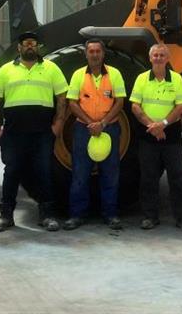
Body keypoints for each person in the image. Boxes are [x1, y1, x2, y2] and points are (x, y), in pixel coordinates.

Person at [0, 30, 68, 233]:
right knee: (12, 172)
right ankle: (5, 216)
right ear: (19, 47)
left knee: (44, 172)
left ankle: (47, 215)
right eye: (26, 43)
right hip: (13, 134)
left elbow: (62, 97)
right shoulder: (6, 70)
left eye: (33, 43)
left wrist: (58, 124)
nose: (30, 46)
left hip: (42, 133)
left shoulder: (51, 68)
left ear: (37, 47)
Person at [129, 43, 182, 233]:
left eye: (162, 55)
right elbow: (135, 106)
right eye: (155, 55)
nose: (158, 58)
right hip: (148, 136)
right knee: (148, 178)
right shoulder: (141, 79)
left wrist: (163, 124)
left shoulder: (176, 79)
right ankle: (150, 217)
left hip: (171, 136)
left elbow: (181, 107)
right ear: (150, 58)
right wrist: (153, 126)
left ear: (167, 58)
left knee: (178, 177)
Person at [63, 38, 126, 231]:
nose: (95, 55)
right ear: (86, 54)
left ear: (103, 54)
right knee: (80, 173)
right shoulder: (77, 75)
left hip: (110, 129)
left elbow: (120, 101)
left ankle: (111, 215)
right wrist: (91, 123)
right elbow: (72, 102)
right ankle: (77, 215)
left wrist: (103, 123)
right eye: (91, 51)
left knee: (110, 173)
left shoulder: (114, 74)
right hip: (84, 129)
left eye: (98, 51)